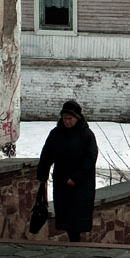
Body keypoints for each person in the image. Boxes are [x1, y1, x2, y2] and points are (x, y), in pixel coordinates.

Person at [36, 101, 99, 242]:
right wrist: (42, 175)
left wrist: (76, 178)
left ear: (77, 118)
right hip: (61, 182)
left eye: (70, 119)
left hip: (80, 186)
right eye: (64, 118)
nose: (67, 122)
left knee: (77, 218)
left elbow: (90, 159)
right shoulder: (56, 134)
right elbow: (46, 155)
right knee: (65, 216)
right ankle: (73, 242)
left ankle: (75, 243)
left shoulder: (86, 135)